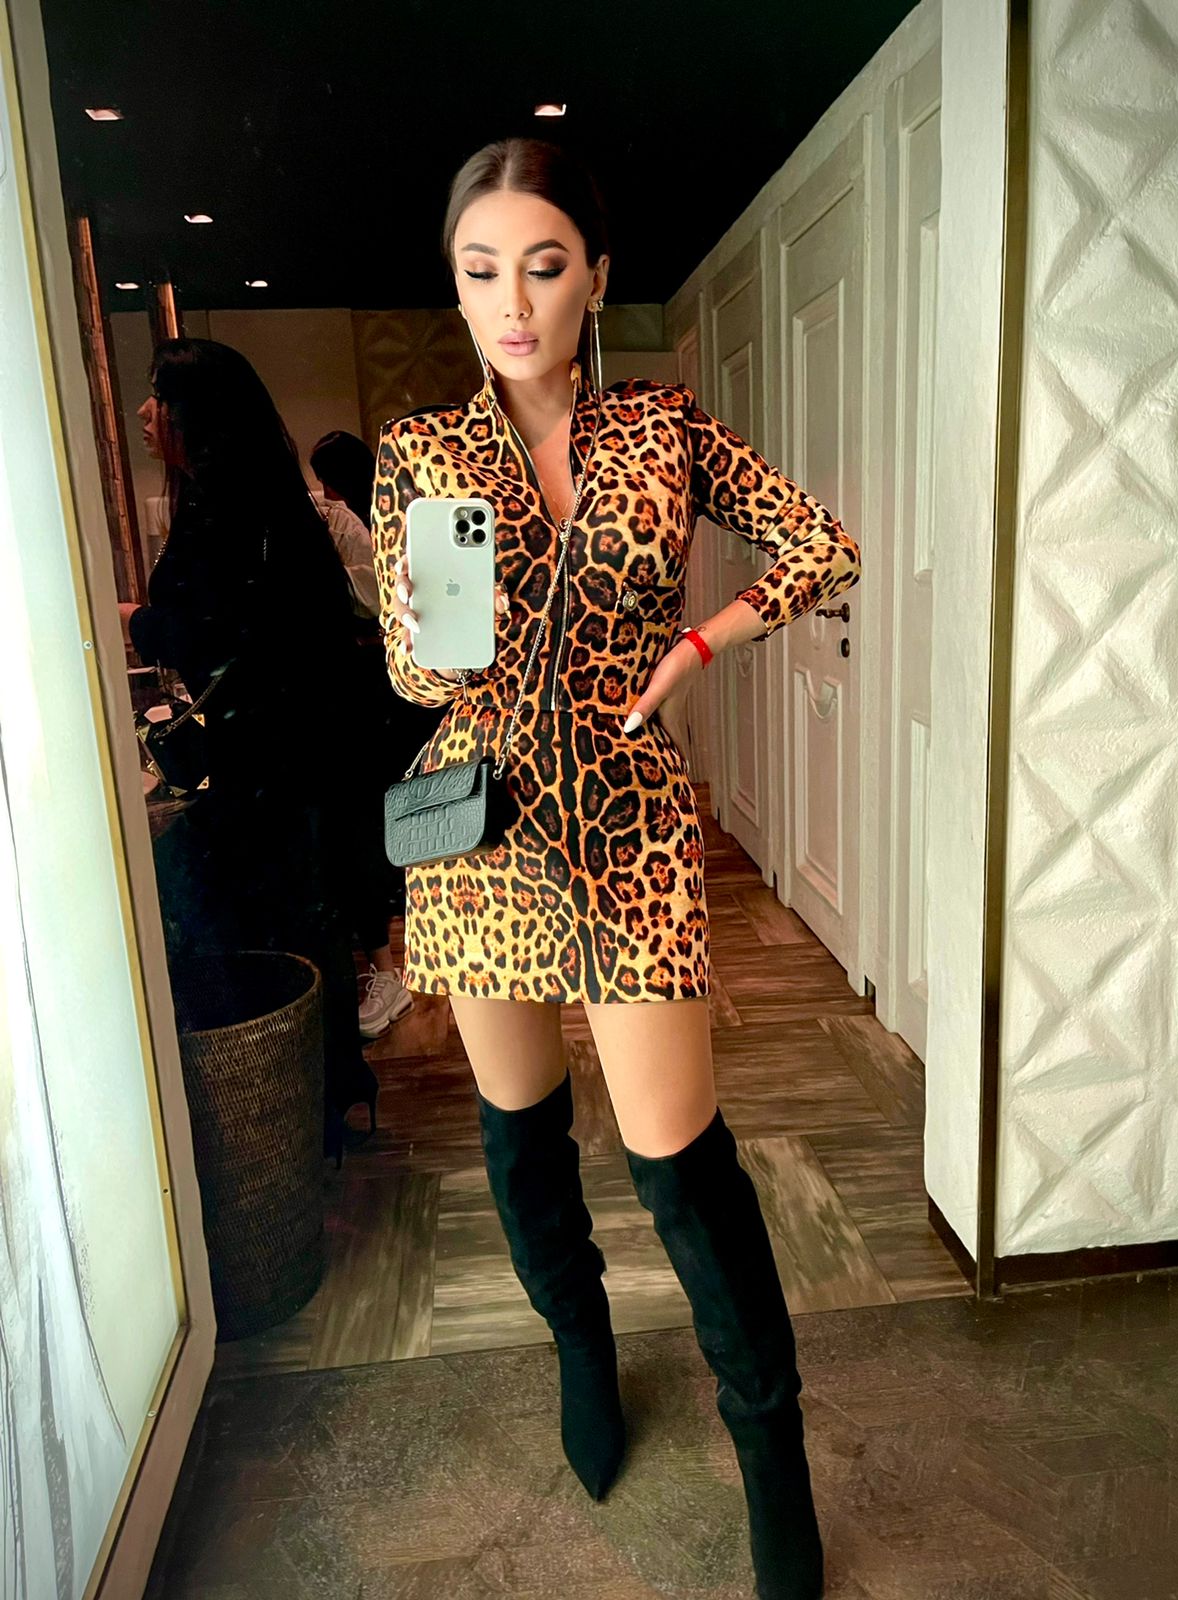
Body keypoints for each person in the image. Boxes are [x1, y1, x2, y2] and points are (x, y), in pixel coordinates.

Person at [370, 139, 861, 1600]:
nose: (512, 304)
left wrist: (699, 643)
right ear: (458, 289)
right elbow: (418, 676)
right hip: (482, 834)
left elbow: (823, 547)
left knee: (680, 1160)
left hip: (633, 829)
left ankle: (770, 1453)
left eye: (542, 267)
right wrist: (447, 613)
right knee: (522, 1132)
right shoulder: (423, 453)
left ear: (594, 277)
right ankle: (581, 1351)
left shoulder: (664, 427)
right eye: (481, 273)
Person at [118, 337, 379, 1165]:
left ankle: (289, 1110)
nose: (145, 413)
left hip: (269, 759)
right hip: (291, 753)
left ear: (198, 415)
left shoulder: (226, 509)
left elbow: (219, 630)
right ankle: (328, 1095)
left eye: (160, 396)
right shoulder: (257, 501)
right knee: (302, 917)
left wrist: (134, 623)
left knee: (271, 920)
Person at [309, 430, 443, 1038]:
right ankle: (412, 922)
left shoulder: (357, 525)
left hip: (379, 684)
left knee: (385, 809)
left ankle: (406, 937)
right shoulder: (360, 518)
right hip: (382, 685)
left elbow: (373, 601)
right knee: (394, 805)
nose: (326, 489)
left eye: (329, 476)